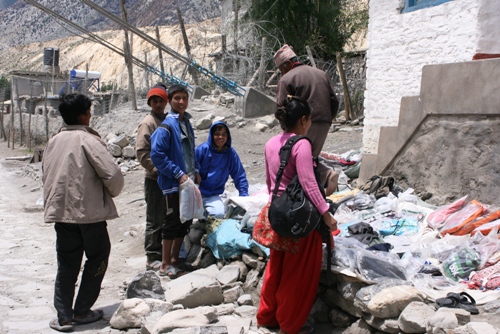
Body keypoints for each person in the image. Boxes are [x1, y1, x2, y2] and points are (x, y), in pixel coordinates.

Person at [42, 94, 124, 332]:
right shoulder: (89, 140)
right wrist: (111, 194)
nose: (91, 115)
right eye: (88, 111)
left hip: (62, 215)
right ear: (82, 114)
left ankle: (64, 317)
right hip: (90, 216)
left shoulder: (53, 141)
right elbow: (114, 176)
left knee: (67, 264)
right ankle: (82, 309)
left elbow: (46, 174)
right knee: (98, 258)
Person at [256, 96, 337, 334]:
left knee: (276, 268)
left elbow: (271, 183)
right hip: (298, 217)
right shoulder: (302, 144)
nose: (310, 123)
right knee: (298, 274)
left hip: (276, 213)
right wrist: (326, 214)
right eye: (310, 118)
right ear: (303, 120)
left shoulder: (271, 143)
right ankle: (290, 325)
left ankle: (267, 316)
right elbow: (309, 183)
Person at [274, 44, 340, 196]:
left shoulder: (287, 79)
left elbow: (281, 108)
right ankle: (326, 177)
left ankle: (303, 197)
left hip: (301, 126)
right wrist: (327, 119)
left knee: (296, 161)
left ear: (287, 64)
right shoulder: (321, 73)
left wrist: (287, 131)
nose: (281, 73)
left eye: (281, 69)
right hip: (324, 122)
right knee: (310, 159)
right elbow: (334, 101)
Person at [150, 84, 201, 278]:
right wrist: (178, 173)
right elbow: (157, 154)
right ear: (170, 101)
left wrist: (195, 170)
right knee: (171, 222)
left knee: (185, 221)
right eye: (177, 98)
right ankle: (164, 264)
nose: (181, 102)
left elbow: (189, 150)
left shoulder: (185, 123)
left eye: (184, 98)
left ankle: (175, 260)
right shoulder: (166, 126)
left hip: (187, 181)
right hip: (173, 183)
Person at [136, 83, 169, 271]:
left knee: (167, 216)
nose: (158, 104)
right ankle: (152, 256)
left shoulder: (166, 120)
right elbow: (141, 151)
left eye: (161, 101)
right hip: (154, 178)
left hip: (167, 177)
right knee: (154, 218)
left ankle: (163, 252)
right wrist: (157, 170)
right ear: (150, 102)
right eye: (154, 101)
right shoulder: (148, 122)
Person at [195, 121, 249, 219]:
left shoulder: (230, 153)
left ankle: (204, 220)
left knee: (219, 214)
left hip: (212, 194)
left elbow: (239, 174)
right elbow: (193, 166)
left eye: (224, 134)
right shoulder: (203, 149)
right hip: (196, 192)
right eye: (217, 134)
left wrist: (244, 195)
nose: (221, 137)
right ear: (212, 135)